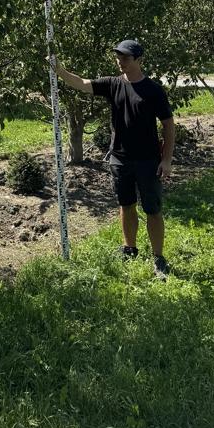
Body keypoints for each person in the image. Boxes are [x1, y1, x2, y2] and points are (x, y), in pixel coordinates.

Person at [53, 39, 175, 279]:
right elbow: (82, 84)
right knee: (126, 205)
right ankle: (130, 249)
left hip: (148, 160)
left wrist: (167, 159)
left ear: (139, 60)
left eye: (126, 58)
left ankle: (159, 258)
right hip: (119, 159)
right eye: (118, 57)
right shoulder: (112, 84)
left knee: (152, 209)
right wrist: (59, 70)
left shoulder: (153, 90)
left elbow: (169, 126)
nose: (120, 61)